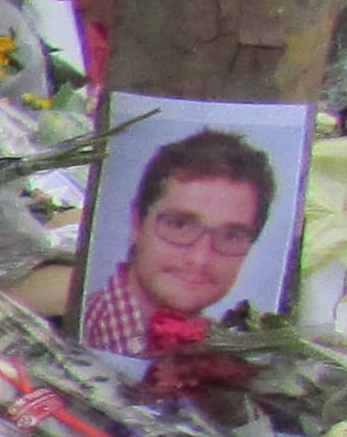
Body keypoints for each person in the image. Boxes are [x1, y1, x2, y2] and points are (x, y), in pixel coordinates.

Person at [77, 128, 278, 355]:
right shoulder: (93, 329)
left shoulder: (217, 349)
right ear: (137, 222)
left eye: (230, 236)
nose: (199, 258)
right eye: (180, 225)